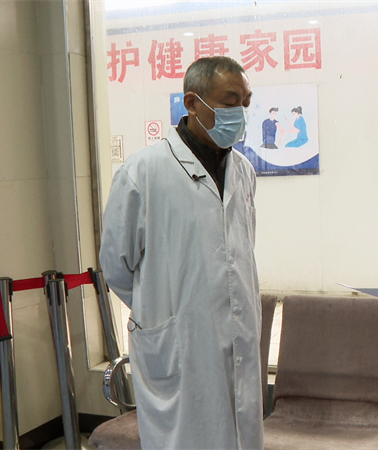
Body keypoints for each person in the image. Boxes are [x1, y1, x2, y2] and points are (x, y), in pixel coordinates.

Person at [100, 56, 263, 450]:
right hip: (177, 346)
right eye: (230, 102)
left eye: (246, 102)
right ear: (192, 103)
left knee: (238, 433)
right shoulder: (143, 172)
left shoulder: (243, 170)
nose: (240, 113)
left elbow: (241, 251)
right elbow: (116, 267)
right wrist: (166, 310)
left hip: (238, 338)